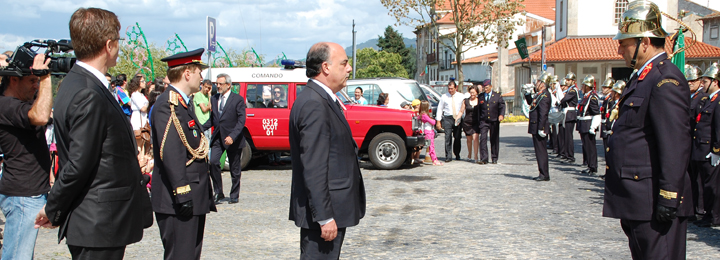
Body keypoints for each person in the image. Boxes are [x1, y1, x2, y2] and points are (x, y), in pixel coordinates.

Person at [35, 7, 153, 259]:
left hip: (100, 221)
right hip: (98, 222)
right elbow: (79, 163)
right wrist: (53, 207)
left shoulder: (77, 81)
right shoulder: (87, 91)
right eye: (118, 41)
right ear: (108, 45)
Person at [603, 2, 693, 259]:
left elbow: (674, 144)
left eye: (624, 43)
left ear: (644, 41)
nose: (619, 49)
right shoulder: (643, 77)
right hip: (639, 201)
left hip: (654, 201)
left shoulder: (665, 80)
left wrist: (669, 197)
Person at [289, 42, 366, 259]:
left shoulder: (321, 98)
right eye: (344, 63)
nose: (349, 68)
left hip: (331, 210)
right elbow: (314, 166)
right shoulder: (314, 103)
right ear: (325, 67)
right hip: (323, 216)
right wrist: (324, 217)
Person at [151, 48, 215, 260]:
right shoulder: (167, 105)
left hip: (191, 197)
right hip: (178, 199)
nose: (201, 77)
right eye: (199, 71)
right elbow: (171, 153)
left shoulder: (181, 103)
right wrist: (183, 192)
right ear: (187, 72)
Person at [0, 51, 53, 259]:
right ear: (14, 79)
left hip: (27, 193)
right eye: (32, 80)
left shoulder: (17, 105)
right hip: (22, 196)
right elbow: (41, 116)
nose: (36, 85)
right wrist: (46, 76)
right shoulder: (5, 104)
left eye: (37, 80)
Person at [202, 73, 247, 205]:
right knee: (214, 162)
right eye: (217, 83)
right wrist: (199, 127)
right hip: (218, 137)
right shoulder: (215, 98)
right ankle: (218, 192)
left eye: (220, 84)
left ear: (228, 85)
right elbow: (213, 119)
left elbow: (241, 121)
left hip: (233, 139)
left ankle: (234, 194)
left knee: (234, 168)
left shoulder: (237, 99)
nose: (218, 86)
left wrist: (232, 136)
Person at [693, 63, 720, 228]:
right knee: (705, 184)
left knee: (712, 186)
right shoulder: (711, 100)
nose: (702, 84)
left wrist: (717, 149)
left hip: (711, 149)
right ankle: (708, 214)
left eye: (705, 81)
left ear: (715, 82)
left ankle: (714, 216)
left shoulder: (718, 101)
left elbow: (718, 127)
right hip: (702, 148)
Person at [685, 64, 707, 221]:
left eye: (693, 80)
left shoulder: (702, 98)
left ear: (700, 81)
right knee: (691, 178)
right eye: (688, 81)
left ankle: (700, 209)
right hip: (689, 143)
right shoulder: (689, 97)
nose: (690, 83)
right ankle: (692, 208)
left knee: (699, 180)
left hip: (698, 142)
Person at [524, 72, 552, 181]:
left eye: (539, 82)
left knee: (541, 151)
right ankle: (542, 172)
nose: (537, 83)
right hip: (535, 126)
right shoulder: (539, 94)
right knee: (538, 151)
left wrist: (541, 128)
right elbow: (532, 104)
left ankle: (544, 174)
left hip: (539, 127)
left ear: (543, 84)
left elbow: (543, 113)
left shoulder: (545, 95)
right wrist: (527, 94)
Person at [477, 79, 506, 164]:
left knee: (494, 139)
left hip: (494, 120)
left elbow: (502, 106)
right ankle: (484, 158)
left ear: (491, 86)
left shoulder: (497, 96)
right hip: (484, 121)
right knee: (483, 138)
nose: (485, 89)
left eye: (487, 87)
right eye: (484, 87)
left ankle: (494, 157)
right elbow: (479, 109)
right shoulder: (481, 96)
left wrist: (501, 115)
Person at [576, 75, 601, 176]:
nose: (582, 87)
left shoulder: (592, 97)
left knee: (591, 147)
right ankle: (589, 165)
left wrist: (593, 127)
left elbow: (596, 113)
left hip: (588, 124)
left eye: (583, 85)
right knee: (586, 146)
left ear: (587, 86)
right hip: (583, 124)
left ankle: (593, 167)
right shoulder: (586, 96)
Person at [435, 80, 464, 162]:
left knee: (457, 137)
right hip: (447, 118)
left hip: (457, 117)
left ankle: (457, 153)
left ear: (456, 88)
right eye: (449, 88)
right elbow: (440, 109)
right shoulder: (444, 97)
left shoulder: (461, 96)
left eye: (452, 88)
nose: (450, 90)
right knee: (447, 137)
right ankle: (448, 155)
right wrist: (438, 121)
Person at [559, 72, 579, 164]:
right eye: (566, 80)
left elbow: (564, 99)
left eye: (568, 80)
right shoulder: (570, 90)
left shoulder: (572, 90)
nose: (567, 82)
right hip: (567, 113)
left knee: (569, 136)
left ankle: (570, 156)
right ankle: (567, 154)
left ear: (573, 81)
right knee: (566, 136)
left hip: (570, 113)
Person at [459, 85, 479, 162]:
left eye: (473, 92)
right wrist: (457, 118)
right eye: (471, 92)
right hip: (467, 122)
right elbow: (461, 111)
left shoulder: (480, 100)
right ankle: (469, 154)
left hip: (476, 122)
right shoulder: (465, 101)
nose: (472, 94)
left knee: (475, 138)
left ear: (477, 92)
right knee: (469, 139)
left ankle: (476, 156)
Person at [419, 101, 443, 166]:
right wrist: (434, 120)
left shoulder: (421, 115)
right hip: (428, 131)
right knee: (431, 146)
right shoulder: (425, 115)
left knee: (431, 146)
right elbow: (433, 122)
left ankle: (435, 159)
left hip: (429, 131)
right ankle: (434, 160)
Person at [192, 79, 212, 147]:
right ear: (202, 85)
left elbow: (210, 106)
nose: (207, 89)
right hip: (201, 123)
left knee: (207, 144)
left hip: (208, 123)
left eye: (209, 88)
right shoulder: (198, 95)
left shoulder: (207, 96)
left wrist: (209, 96)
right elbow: (204, 109)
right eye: (206, 87)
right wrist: (209, 105)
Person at [599, 77, 615, 150]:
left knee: (608, 147)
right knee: (605, 146)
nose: (603, 89)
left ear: (610, 89)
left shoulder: (610, 100)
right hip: (604, 123)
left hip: (607, 124)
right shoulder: (606, 98)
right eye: (603, 87)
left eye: (605, 87)